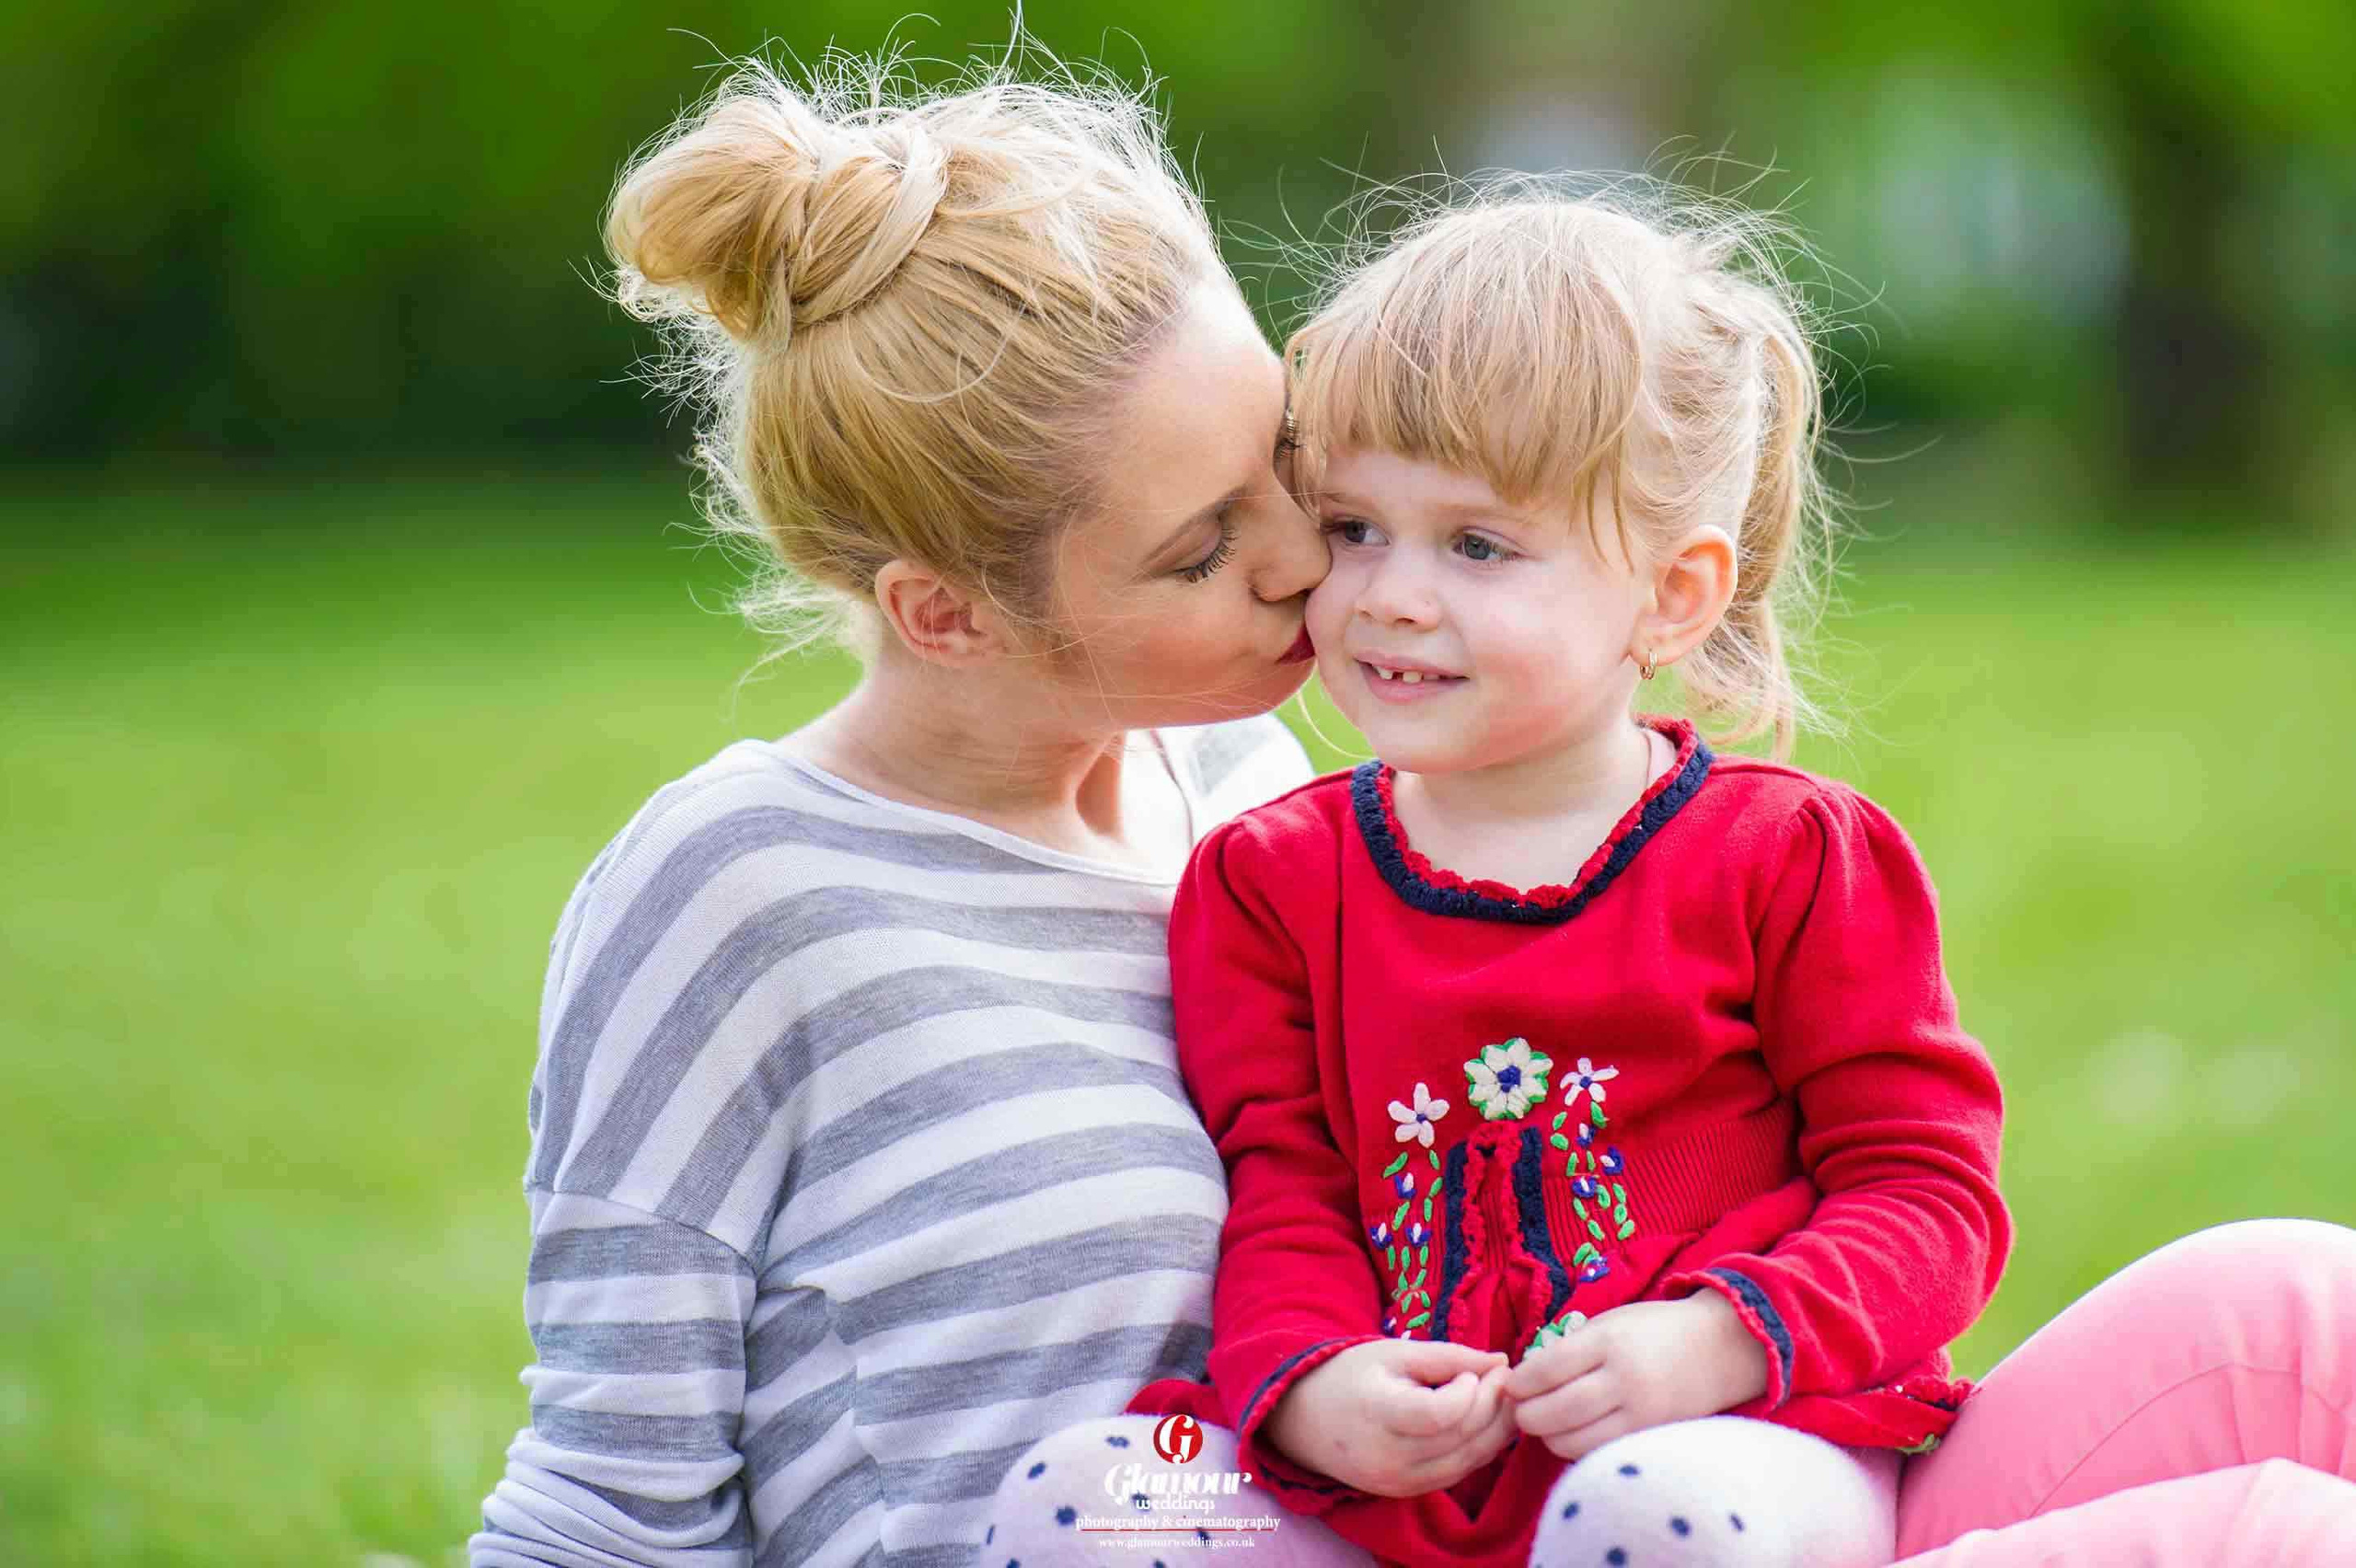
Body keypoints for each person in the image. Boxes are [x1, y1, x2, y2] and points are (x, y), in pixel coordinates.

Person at [981, 186, 2356, 1568]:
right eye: (1352, 527)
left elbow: (1926, 1195)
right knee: (1089, 1497)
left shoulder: (1786, 857)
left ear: (1673, 594)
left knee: (1647, 1510)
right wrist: (1313, 1383)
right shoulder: (1270, 882)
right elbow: (1284, 1191)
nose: (1389, 594)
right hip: (1402, 1493)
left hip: (1749, 1450)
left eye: (1477, 545)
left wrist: (1721, 1340)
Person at [467, 44, 1333, 1568]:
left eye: (1285, 459)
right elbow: (610, 1494)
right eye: (1202, 550)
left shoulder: (1252, 797)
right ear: (949, 615)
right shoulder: (738, 888)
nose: (1306, 558)